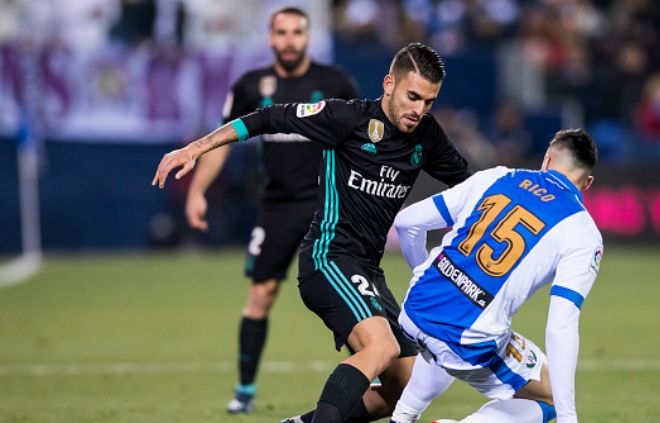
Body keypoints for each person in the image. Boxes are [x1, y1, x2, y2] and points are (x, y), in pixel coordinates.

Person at [152, 43, 472, 423]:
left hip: (368, 271)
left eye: (429, 102)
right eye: (413, 96)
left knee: (405, 385)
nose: (419, 110)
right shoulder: (346, 118)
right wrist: (196, 148)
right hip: (329, 256)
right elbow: (265, 119)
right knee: (381, 346)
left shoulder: (428, 137)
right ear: (389, 84)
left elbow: (474, 186)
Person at [183, 6, 358, 414]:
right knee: (261, 294)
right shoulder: (250, 86)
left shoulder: (336, 83)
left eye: (297, 32)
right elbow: (221, 142)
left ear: (308, 37)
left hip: (326, 206)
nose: (289, 40)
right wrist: (198, 191)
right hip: (277, 206)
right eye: (281, 32)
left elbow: (360, 141)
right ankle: (244, 392)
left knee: (344, 293)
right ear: (269, 38)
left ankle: (375, 369)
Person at [389, 129, 603, 423]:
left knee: (443, 339)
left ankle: (403, 416)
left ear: (547, 159)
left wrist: (423, 273)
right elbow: (560, 325)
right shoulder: (582, 231)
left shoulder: (496, 177)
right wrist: (569, 417)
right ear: (587, 183)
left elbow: (407, 222)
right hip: (469, 340)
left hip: (414, 308)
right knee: (552, 395)